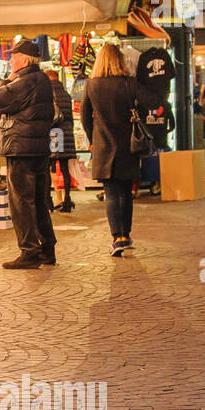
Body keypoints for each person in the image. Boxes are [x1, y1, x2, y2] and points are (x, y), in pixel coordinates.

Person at [0, 39, 57, 269]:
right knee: (38, 201)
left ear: (25, 59)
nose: (10, 60)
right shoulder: (43, 80)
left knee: (21, 202)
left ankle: (29, 252)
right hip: (38, 149)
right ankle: (47, 250)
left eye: (13, 56)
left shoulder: (25, 80)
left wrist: (3, 80)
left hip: (21, 149)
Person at [80, 42, 141, 257]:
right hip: (128, 145)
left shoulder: (92, 84)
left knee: (111, 193)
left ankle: (117, 238)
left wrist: (92, 138)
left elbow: (85, 117)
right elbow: (140, 110)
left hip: (104, 145)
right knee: (126, 191)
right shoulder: (129, 83)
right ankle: (126, 234)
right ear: (120, 60)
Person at [44, 68, 77, 213]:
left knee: (48, 167)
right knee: (64, 168)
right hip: (66, 133)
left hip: (53, 133)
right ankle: (67, 200)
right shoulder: (66, 94)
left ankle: (48, 200)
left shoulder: (46, 94)